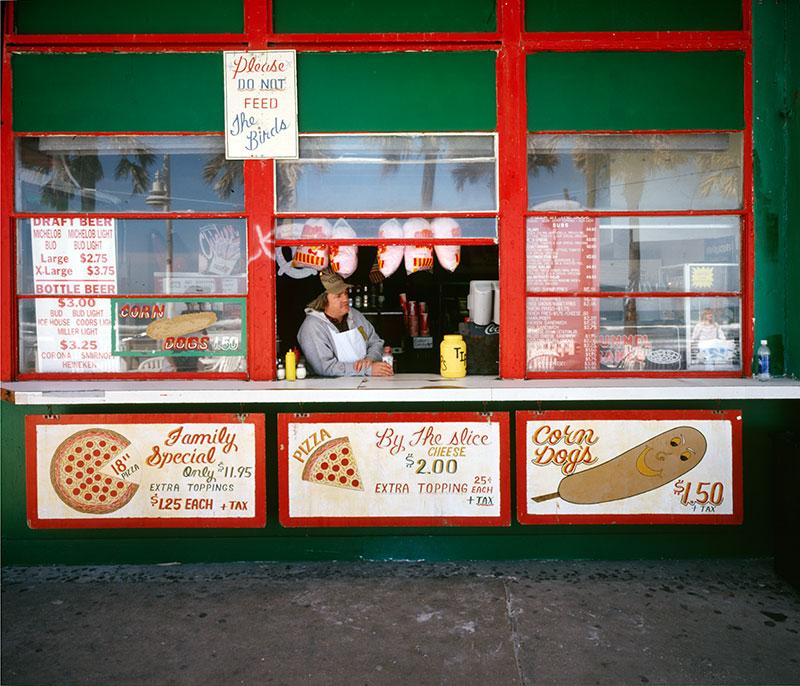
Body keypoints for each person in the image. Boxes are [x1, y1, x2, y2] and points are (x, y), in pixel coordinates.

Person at [298, 269, 393, 377]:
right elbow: (325, 367)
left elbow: (375, 342)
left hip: (363, 384)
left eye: (345, 293)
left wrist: (370, 359)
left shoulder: (355, 315)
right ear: (323, 302)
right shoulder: (312, 327)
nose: (345, 299)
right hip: (331, 390)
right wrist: (366, 370)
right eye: (338, 296)